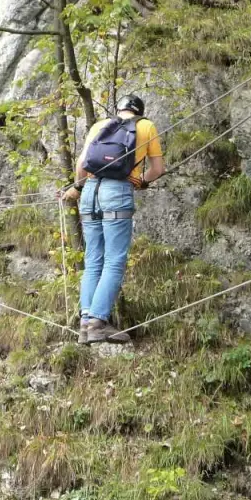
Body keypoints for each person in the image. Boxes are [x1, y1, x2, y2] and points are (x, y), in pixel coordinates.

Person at [62, 94, 165, 344]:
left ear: (118, 109)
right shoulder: (145, 126)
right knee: (114, 260)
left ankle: (86, 323)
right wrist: (142, 181)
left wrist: (78, 187)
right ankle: (98, 322)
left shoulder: (100, 126)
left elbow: (82, 162)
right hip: (117, 192)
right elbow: (157, 169)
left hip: (90, 192)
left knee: (93, 259)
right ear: (139, 110)